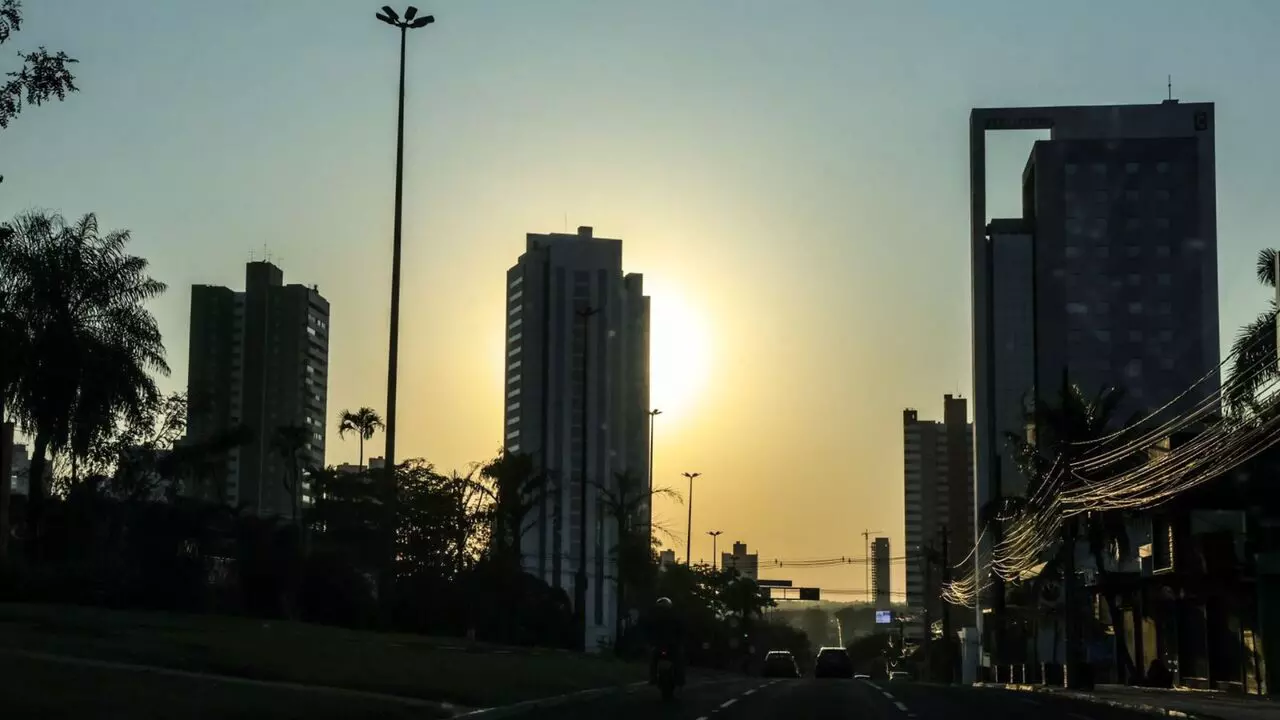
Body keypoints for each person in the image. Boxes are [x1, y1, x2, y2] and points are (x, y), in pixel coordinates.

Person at [644, 597, 686, 685]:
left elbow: (648, 630)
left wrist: (650, 641)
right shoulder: (674, 617)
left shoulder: (654, 617)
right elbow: (681, 630)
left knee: (653, 659)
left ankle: (653, 678)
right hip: (669, 645)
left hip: (662, 645)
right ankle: (679, 679)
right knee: (679, 659)